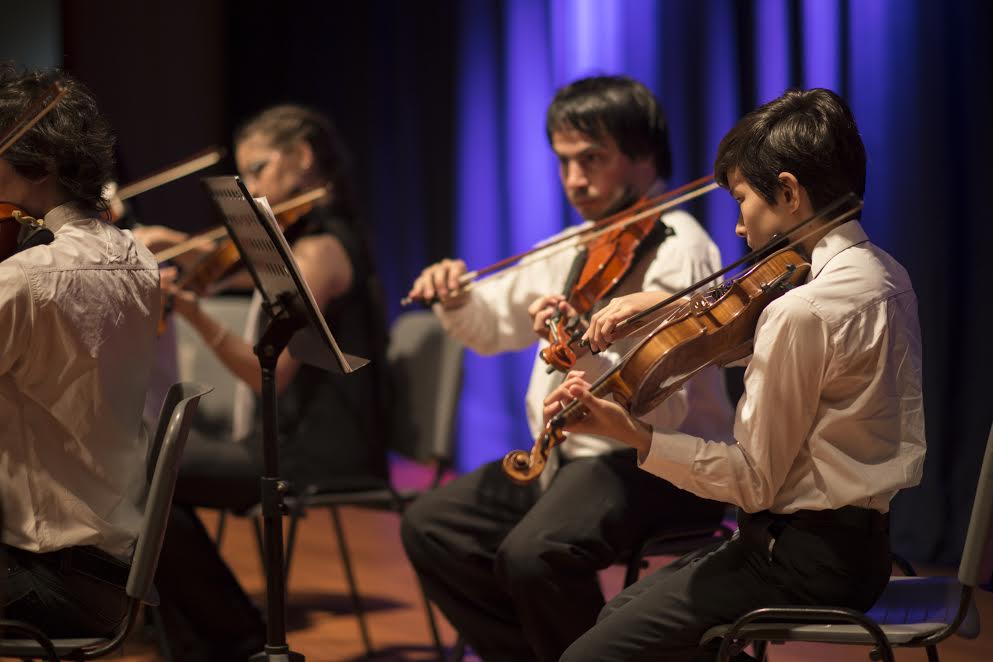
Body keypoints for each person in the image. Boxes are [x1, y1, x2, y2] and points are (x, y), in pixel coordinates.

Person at [548, 88, 926, 661]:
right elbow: (756, 333)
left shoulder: (802, 311)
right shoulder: (885, 274)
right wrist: (670, 304)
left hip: (796, 562)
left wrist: (630, 433)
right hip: (860, 552)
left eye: (743, 199)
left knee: (591, 654)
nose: (739, 229)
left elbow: (751, 481)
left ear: (790, 192)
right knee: (616, 615)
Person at [401, 75, 734, 662]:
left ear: (643, 156)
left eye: (593, 160)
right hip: (567, 456)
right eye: (564, 163)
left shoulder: (682, 249)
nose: (575, 180)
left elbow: (665, 398)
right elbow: (491, 324)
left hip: (651, 461)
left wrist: (576, 345)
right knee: (430, 523)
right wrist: (455, 295)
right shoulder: (578, 242)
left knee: (535, 554)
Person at [152, 104, 391, 661]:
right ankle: (211, 635)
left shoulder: (319, 250)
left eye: (257, 170)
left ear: (301, 159)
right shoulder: (297, 241)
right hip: (284, 439)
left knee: (150, 475)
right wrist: (170, 243)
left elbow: (270, 377)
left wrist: (191, 311)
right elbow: (216, 266)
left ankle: (231, 635)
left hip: (319, 450)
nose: (251, 188)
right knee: (153, 481)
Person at [0, 64, 160, 636]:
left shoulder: (27, 281)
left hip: (47, 579)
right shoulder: (140, 261)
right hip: (110, 570)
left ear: (39, 167)